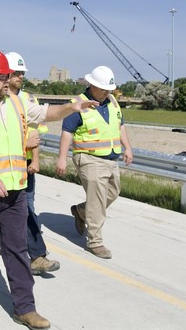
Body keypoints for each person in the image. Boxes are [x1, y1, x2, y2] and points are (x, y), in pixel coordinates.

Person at [0, 49, 97, 330]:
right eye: (1, 75)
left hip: (15, 188)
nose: (8, 80)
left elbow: (45, 112)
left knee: (16, 248)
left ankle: (25, 308)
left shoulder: (16, 102)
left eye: (9, 75)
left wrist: (71, 107)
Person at [0, 52, 59, 276]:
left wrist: (34, 159)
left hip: (24, 167)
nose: (20, 77)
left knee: (27, 210)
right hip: (1, 167)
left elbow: (35, 132)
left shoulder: (27, 101)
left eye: (22, 73)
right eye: (16, 73)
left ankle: (37, 256)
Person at [56, 65, 133, 260]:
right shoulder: (78, 104)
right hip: (88, 158)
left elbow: (120, 126)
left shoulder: (113, 101)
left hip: (111, 158)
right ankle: (95, 242)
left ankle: (81, 211)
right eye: (103, 88)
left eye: (109, 89)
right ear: (91, 85)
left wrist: (128, 147)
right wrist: (62, 159)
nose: (107, 92)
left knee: (113, 192)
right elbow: (67, 133)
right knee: (97, 200)